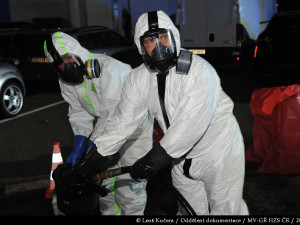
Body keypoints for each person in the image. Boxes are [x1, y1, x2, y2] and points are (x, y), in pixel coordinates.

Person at [83, 10, 249, 215]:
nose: (159, 45)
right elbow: (122, 122)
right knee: (188, 211)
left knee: (226, 210)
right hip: (180, 157)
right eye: (150, 40)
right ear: (141, 45)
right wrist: (91, 160)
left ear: (174, 37)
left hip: (218, 151)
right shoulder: (138, 78)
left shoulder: (198, 71)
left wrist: (152, 161)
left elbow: (190, 125)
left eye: (163, 37)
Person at [43, 31, 154, 215]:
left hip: (135, 130)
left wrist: (92, 148)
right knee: (103, 186)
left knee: (130, 189)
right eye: (59, 64)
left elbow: (115, 116)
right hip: (105, 133)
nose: (65, 67)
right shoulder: (67, 81)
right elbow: (78, 112)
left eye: (67, 59)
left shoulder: (111, 69)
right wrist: (80, 143)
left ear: (77, 51)